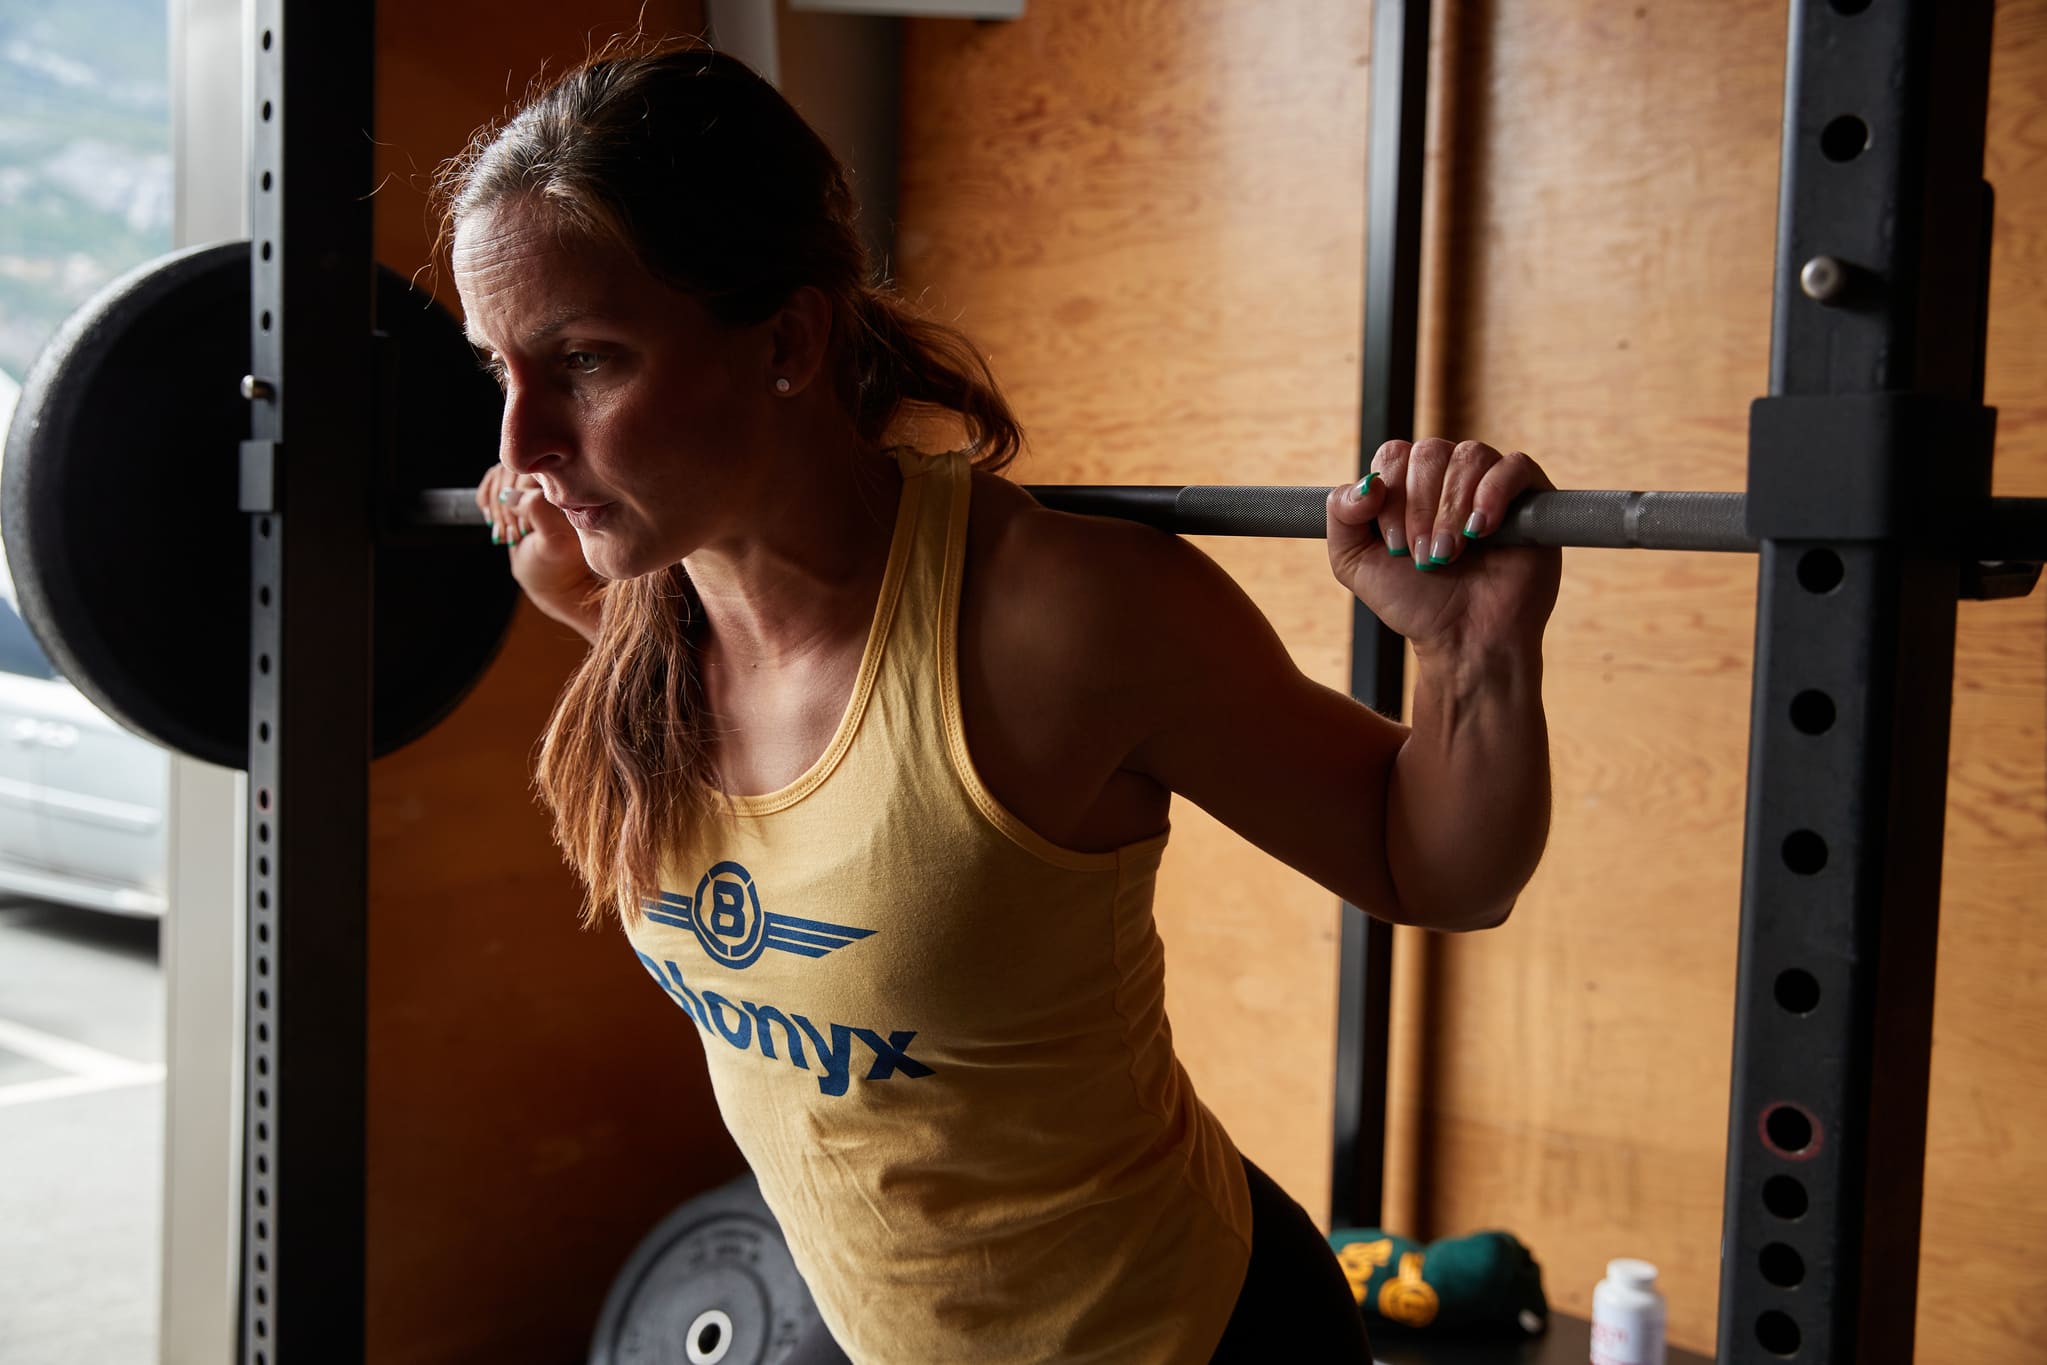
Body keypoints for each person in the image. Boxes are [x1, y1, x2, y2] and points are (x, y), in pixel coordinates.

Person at [450, 38, 1558, 1365]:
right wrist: (567, 525)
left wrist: (1473, 656)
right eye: (495, 370)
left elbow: (1429, 861)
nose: (520, 446)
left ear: (790, 339)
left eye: (582, 362)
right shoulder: (638, 619)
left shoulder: (1063, 619)